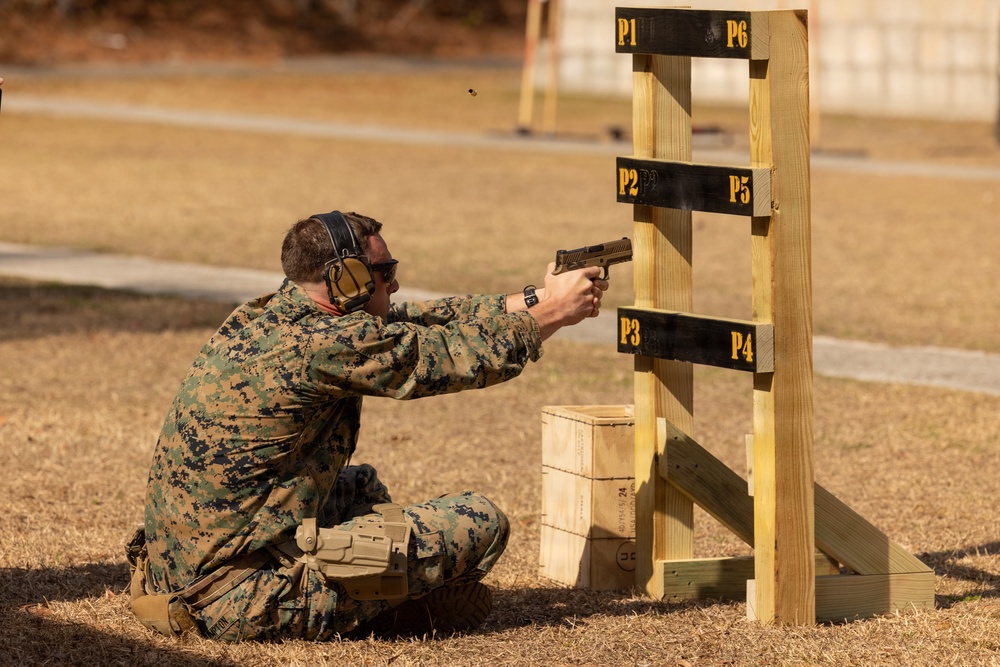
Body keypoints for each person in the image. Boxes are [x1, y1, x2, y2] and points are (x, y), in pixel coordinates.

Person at [127, 210, 610, 642]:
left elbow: (414, 319)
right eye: (386, 273)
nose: (394, 285)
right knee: (480, 522)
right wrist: (553, 314)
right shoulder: (323, 345)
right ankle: (376, 607)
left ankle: (375, 593)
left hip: (191, 568)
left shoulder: (271, 317)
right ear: (347, 277)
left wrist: (534, 298)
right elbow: (443, 359)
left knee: (360, 487)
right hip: (237, 595)